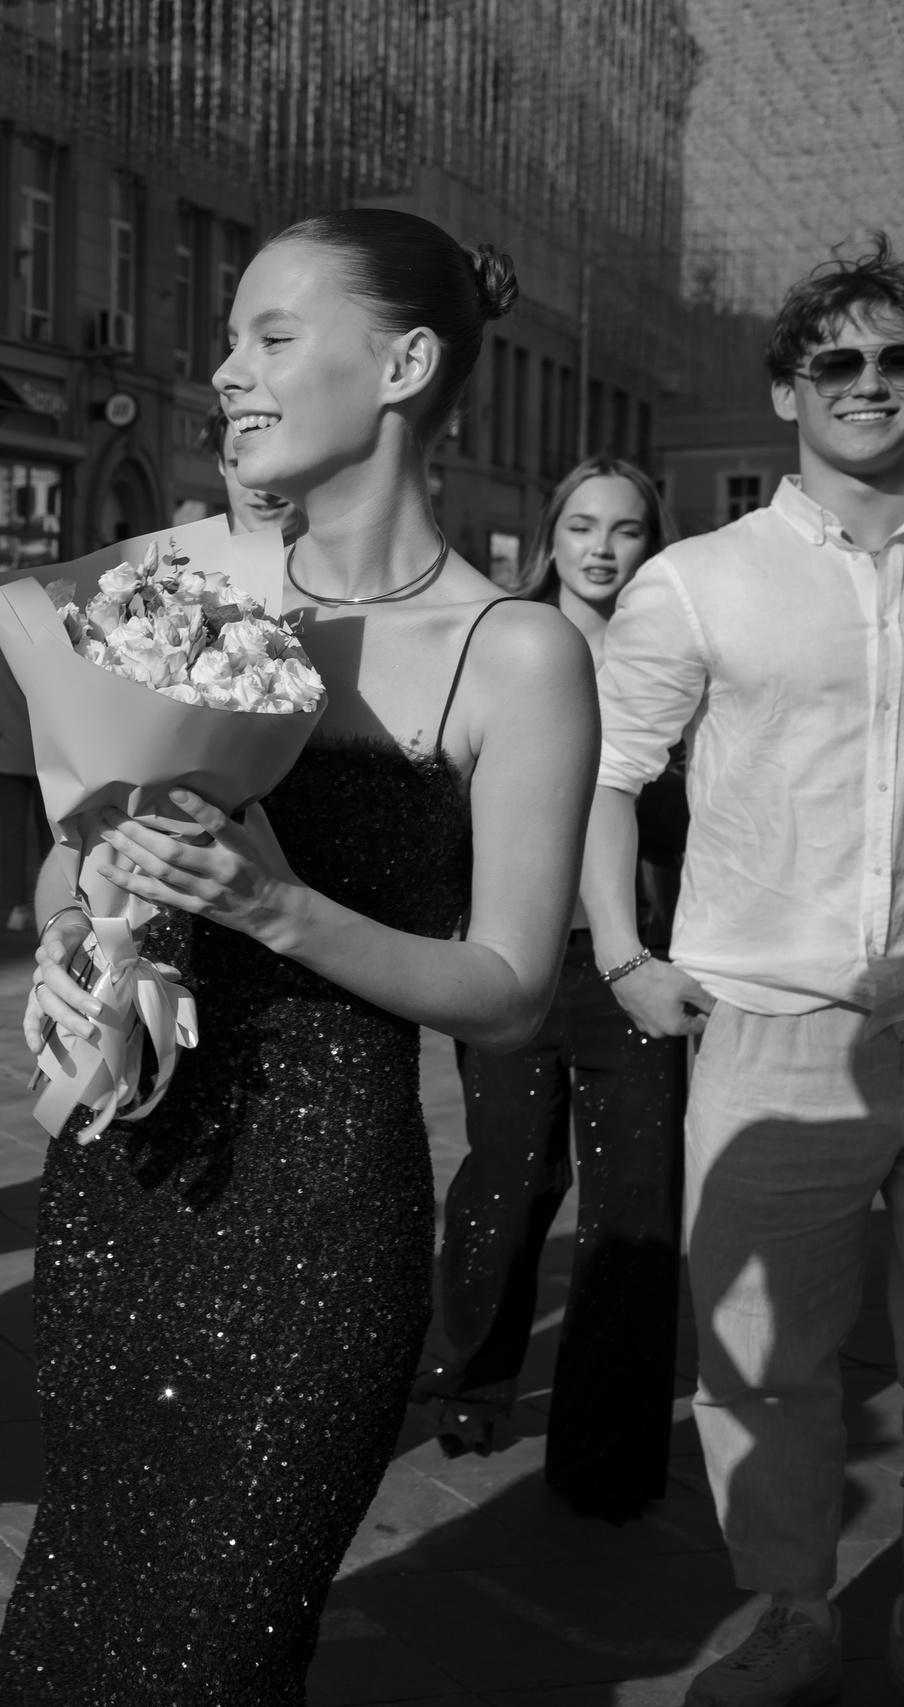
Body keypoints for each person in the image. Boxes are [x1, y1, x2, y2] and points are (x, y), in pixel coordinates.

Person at [0, 210, 596, 1704]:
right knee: (72, 1608)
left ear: (403, 363)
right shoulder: (180, 580)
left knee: (219, 1644)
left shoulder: (511, 651)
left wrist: (276, 908)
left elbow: (512, 988)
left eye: (270, 337)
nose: (226, 374)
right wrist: (85, 916)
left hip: (318, 1219)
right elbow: (65, 856)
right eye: (230, 342)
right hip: (123, 1179)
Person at [582, 236, 904, 1707]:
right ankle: (793, 1607)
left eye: (896, 360)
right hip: (773, 1024)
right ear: (787, 388)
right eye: (837, 360)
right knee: (765, 1352)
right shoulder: (698, 580)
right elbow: (606, 772)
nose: (872, 383)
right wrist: (622, 948)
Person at [413, 456, 688, 1518]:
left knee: (634, 1209)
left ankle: (608, 1450)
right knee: (507, 1182)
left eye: (625, 527)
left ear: (649, 540)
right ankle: (471, 1376)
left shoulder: (678, 657)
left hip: (641, 970)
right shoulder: (506, 641)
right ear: (552, 537)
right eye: (582, 525)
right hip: (514, 957)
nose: (602, 547)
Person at [0, 632, 50, 931]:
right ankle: (51, 903)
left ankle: (16, 906)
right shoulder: (42, 640)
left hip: (7, 748)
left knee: (12, 833)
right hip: (43, 748)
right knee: (50, 834)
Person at [206, 403, 306, 540]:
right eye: (240, 464)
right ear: (221, 465)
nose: (263, 493)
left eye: (280, 465)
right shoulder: (197, 560)